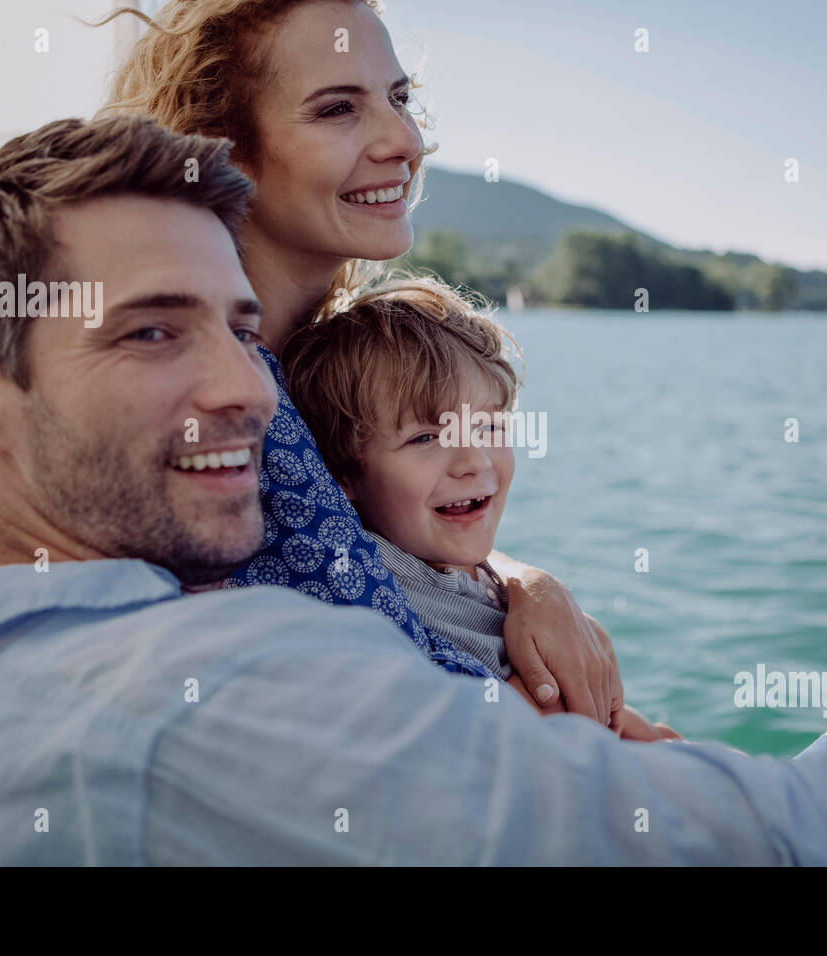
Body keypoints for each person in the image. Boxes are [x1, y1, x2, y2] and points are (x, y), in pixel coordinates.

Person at [0, 114, 827, 865]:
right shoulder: (204, 692)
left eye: (243, 332)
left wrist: (519, 580)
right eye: (150, 331)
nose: (244, 389)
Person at [98, 0, 625, 725]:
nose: (407, 140)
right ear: (221, 153)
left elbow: (378, 555)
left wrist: (524, 583)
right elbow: (418, 695)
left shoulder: (328, 362)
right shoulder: (222, 397)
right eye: (338, 108)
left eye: (400, 98)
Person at [278, 276, 680, 738]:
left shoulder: (471, 572)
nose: (475, 461)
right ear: (343, 474)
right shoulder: (379, 584)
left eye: (488, 427)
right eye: (425, 438)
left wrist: (652, 736)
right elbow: (548, 720)